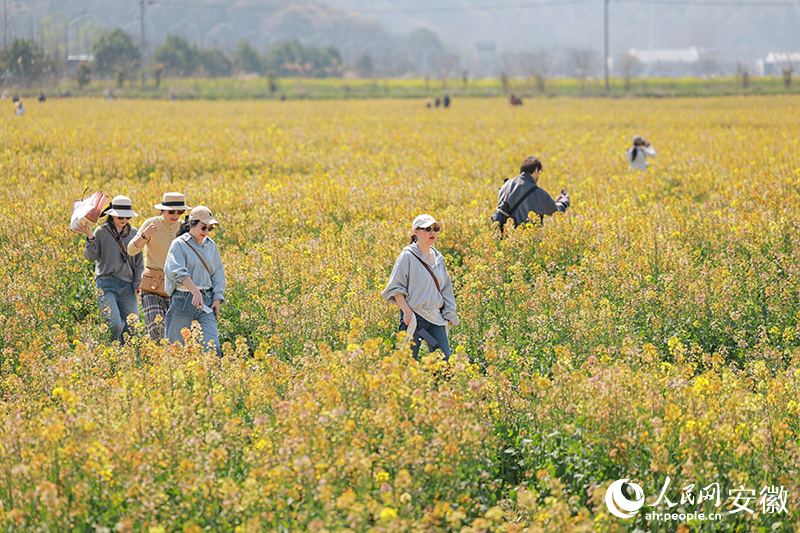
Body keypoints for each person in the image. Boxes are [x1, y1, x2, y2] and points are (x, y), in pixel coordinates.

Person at [382, 214, 459, 361]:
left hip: (435, 319)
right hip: (414, 319)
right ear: (416, 232)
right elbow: (395, 287)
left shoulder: (439, 258)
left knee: (443, 361)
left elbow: (445, 288)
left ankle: (441, 385)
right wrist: (407, 313)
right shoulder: (407, 256)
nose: (433, 232)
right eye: (427, 229)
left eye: (435, 229)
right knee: (406, 362)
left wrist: (449, 312)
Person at [74, 196, 144, 344]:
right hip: (106, 285)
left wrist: (138, 282)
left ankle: (133, 364)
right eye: (120, 216)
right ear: (111, 214)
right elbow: (91, 258)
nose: (124, 219)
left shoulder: (134, 233)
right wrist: (89, 236)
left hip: (128, 286)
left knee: (133, 330)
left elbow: (139, 263)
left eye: (127, 216)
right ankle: (111, 354)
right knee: (114, 324)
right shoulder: (101, 232)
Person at [127, 192, 190, 341]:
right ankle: (156, 360)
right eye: (171, 211)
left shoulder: (185, 227)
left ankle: (168, 362)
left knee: (176, 333)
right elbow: (131, 249)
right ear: (163, 210)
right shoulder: (151, 223)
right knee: (156, 329)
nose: (176, 215)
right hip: (153, 286)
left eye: (180, 212)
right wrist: (145, 235)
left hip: (177, 288)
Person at [164, 206, 226, 357]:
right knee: (176, 350)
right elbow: (177, 271)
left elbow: (218, 272)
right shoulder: (179, 244)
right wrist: (194, 291)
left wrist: (217, 298)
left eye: (209, 228)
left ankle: (213, 380)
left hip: (207, 301)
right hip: (183, 301)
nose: (206, 231)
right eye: (203, 227)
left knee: (213, 348)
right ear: (192, 223)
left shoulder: (211, 245)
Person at [491, 156, 569, 233]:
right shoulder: (537, 192)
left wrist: (555, 201)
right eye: (540, 172)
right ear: (536, 170)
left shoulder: (506, 184)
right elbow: (556, 211)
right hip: (528, 240)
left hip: (507, 237)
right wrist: (564, 201)